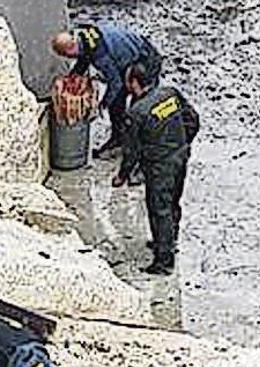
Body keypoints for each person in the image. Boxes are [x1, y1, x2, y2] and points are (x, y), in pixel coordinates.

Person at [111, 62, 199, 275]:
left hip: (160, 166)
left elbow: (131, 151)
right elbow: (193, 119)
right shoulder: (169, 94)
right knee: (173, 202)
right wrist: (182, 142)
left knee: (159, 209)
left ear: (133, 83)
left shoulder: (136, 113)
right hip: (180, 157)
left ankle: (163, 261)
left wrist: (122, 175)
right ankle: (169, 241)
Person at [51, 24, 162, 156]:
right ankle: (118, 138)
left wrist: (102, 104)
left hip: (145, 59)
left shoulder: (100, 55)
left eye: (66, 56)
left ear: (69, 50)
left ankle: (142, 148)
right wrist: (72, 77)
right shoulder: (81, 36)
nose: (69, 59)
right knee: (116, 105)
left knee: (139, 107)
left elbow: (115, 83)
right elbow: (84, 58)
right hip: (126, 60)